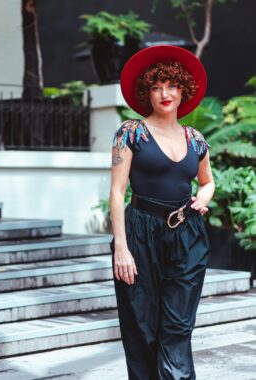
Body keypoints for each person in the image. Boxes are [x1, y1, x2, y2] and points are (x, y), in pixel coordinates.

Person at [109, 45, 215, 380]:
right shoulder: (131, 133)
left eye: (171, 85)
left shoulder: (196, 139)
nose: (164, 93)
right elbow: (116, 191)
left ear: (183, 88)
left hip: (187, 234)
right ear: (147, 94)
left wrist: (203, 196)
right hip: (140, 233)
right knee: (142, 326)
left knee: (178, 325)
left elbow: (208, 181)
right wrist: (121, 248)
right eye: (156, 87)